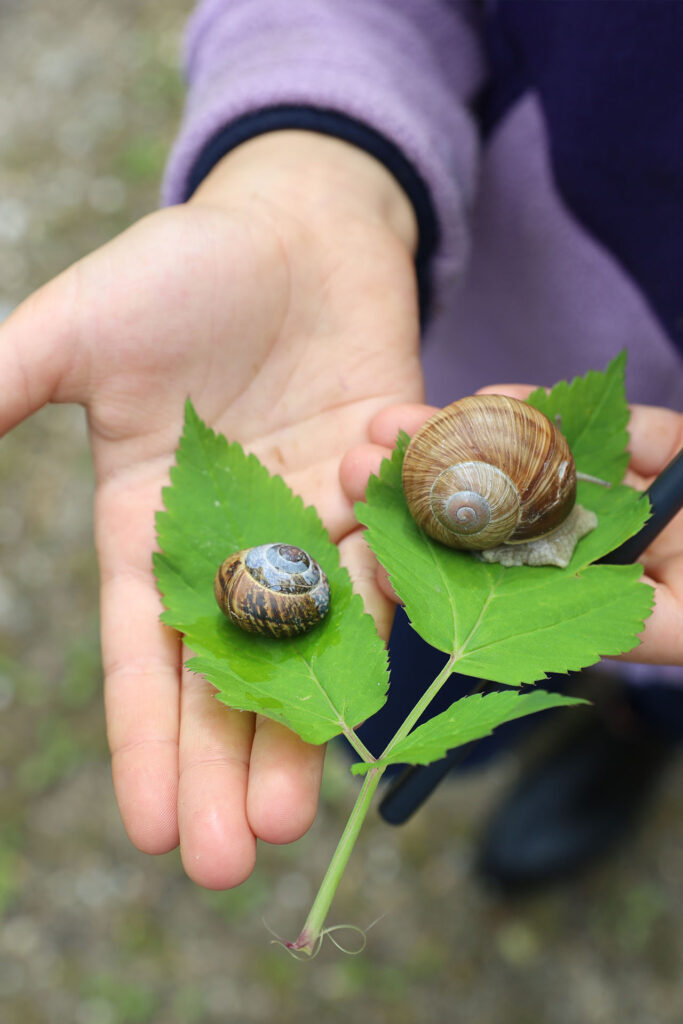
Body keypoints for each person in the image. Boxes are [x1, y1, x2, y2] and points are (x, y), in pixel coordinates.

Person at [0, 0, 681, 891]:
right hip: (449, 359)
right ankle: (598, 722)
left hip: (520, 486)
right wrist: (308, 165)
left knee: (630, 650)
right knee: (438, 681)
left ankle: (639, 732)